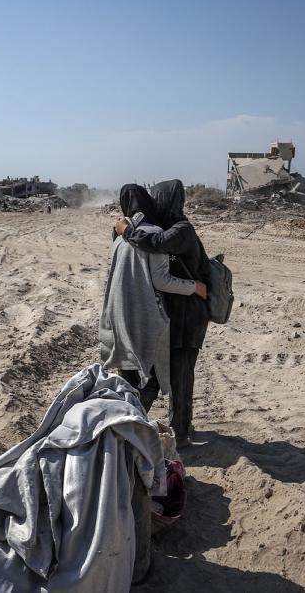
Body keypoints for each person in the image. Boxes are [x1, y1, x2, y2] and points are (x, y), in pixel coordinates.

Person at [98, 183, 205, 586]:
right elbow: (161, 277)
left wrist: (124, 230)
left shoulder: (128, 233)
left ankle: (134, 425)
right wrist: (194, 287)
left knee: (135, 377)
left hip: (120, 318)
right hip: (156, 319)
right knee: (157, 379)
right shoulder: (159, 233)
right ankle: (137, 429)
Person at [115, 180, 209, 449]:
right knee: (166, 373)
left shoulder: (181, 230)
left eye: (158, 198)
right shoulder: (166, 227)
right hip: (172, 314)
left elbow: (155, 243)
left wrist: (125, 231)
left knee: (180, 374)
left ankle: (181, 434)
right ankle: (176, 428)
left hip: (189, 314)